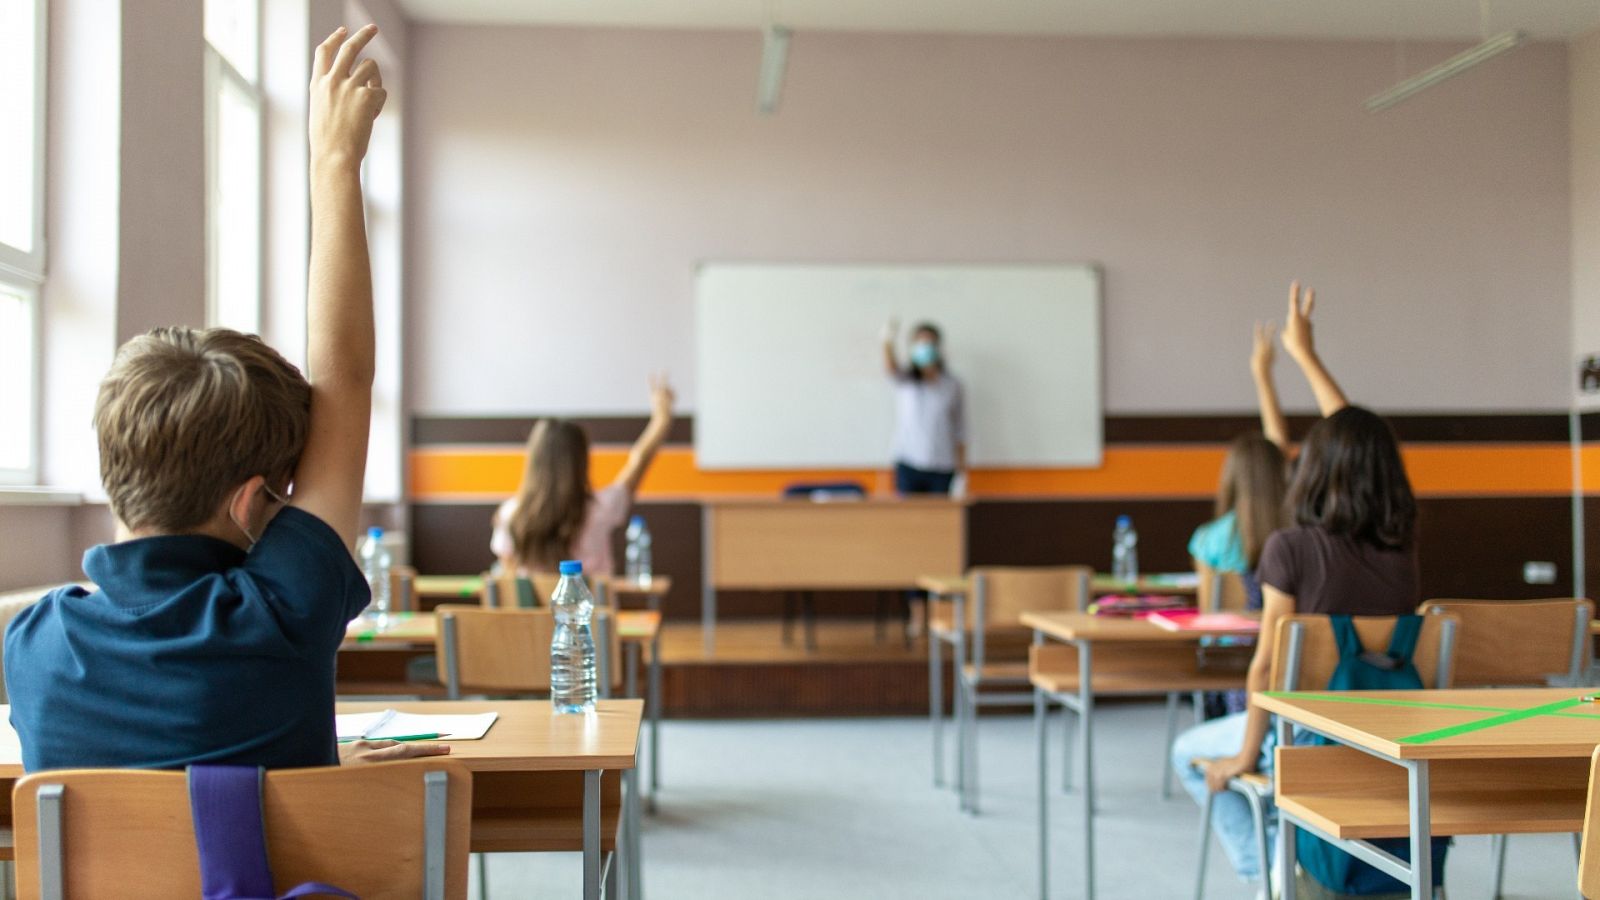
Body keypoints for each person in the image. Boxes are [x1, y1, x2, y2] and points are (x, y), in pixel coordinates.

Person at [5, 27, 441, 771]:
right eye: (279, 499)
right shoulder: (279, 611)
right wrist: (334, 161)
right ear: (249, 501)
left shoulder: (35, 642)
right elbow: (347, 381)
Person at [1172, 284, 1417, 892]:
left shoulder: (1291, 547)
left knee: (1189, 751)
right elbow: (1362, 443)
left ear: (1310, 471)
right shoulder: (1404, 545)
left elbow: (1266, 671)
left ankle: (1266, 875)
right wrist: (1305, 355)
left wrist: (1246, 754)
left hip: (1305, 731)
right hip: (1388, 727)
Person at [492, 377, 674, 576]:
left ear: (534, 462)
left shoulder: (511, 515)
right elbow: (638, 462)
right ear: (582, 462)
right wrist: (661, 419)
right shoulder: (600, 509)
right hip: (595, 607)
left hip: (536, 609)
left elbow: (507, 581)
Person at [1188, 324, 1291, 616]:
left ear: (1231, 477)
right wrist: (1263, 375)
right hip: (1285, 653)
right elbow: (1278, 448)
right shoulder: (1298, 530)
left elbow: (1209, 614)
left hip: (1227, 654)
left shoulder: (1209, 539)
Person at [882, 319, 967, 496]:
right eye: (920, 342)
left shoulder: (952, 385)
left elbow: (961, 429)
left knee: (939, 520)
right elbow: (891, 368)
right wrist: (887, 341)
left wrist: (962, 472)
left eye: (929, 342)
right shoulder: (906, 381)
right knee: (909, 520)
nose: (925, 347)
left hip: (942, 465)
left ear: (938, 347)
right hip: (908, 463)